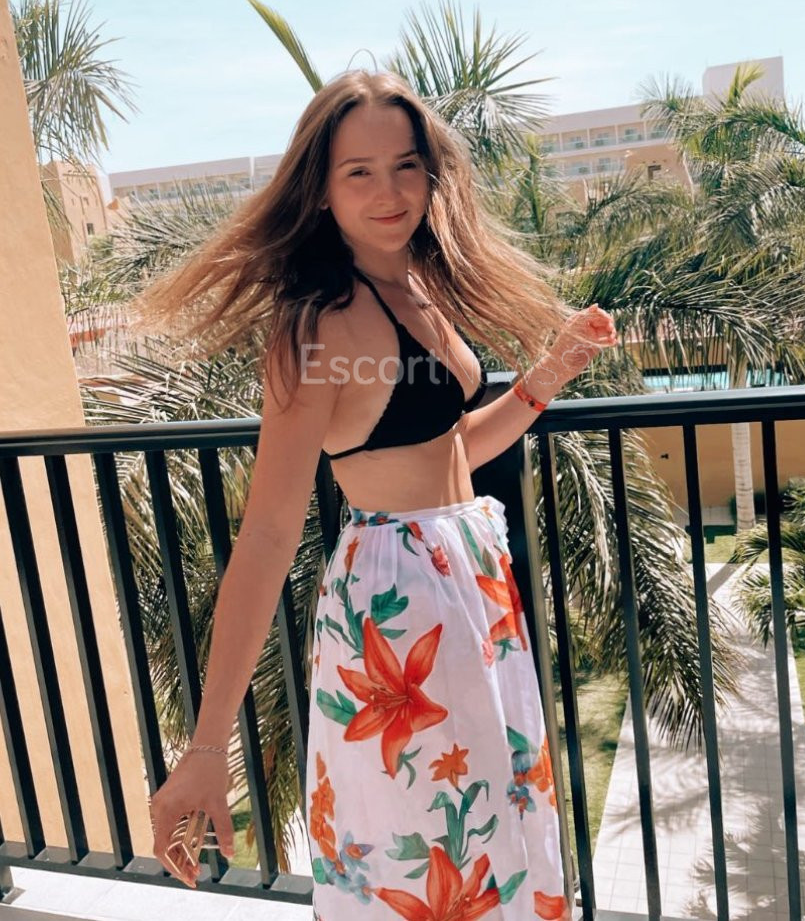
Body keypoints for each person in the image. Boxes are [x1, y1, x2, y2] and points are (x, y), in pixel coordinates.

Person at [141, 70, 617, 920]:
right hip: (402, 613)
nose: (388, 192)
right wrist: (207, 747)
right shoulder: (317, 328)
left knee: (491, 835)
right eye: (357, 172)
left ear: (432, 174)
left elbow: (451, 450)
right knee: (426, 851)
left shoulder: (420, 287)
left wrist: (548, 375)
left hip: (468, 583)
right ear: (320, 190)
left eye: (405, 166)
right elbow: (268, 532)